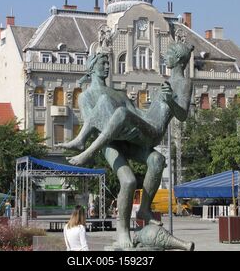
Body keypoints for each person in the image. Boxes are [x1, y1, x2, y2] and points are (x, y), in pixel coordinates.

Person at [59, 42, 194, 248]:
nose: (107, 67)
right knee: (129, 181)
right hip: (108, 143)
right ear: (92, 67)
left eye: (108, 63)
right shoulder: (86, 96)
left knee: (157, 159)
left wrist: (148, 118)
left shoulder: (119, 93)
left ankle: (144, 210)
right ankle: (123, 232)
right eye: (103, 63)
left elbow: (136, 113)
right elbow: (92, 122)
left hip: (129, 137)